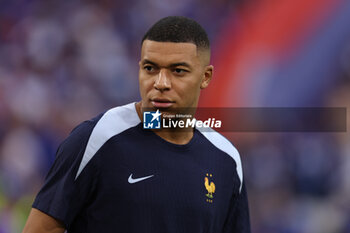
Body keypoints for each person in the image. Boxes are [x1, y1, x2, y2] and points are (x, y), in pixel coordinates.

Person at [23, 16, 251, 233]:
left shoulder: (226, 159)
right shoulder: (95, 139)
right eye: (150, 68)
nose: (160, 83)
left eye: (177, 71)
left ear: (206, 77)